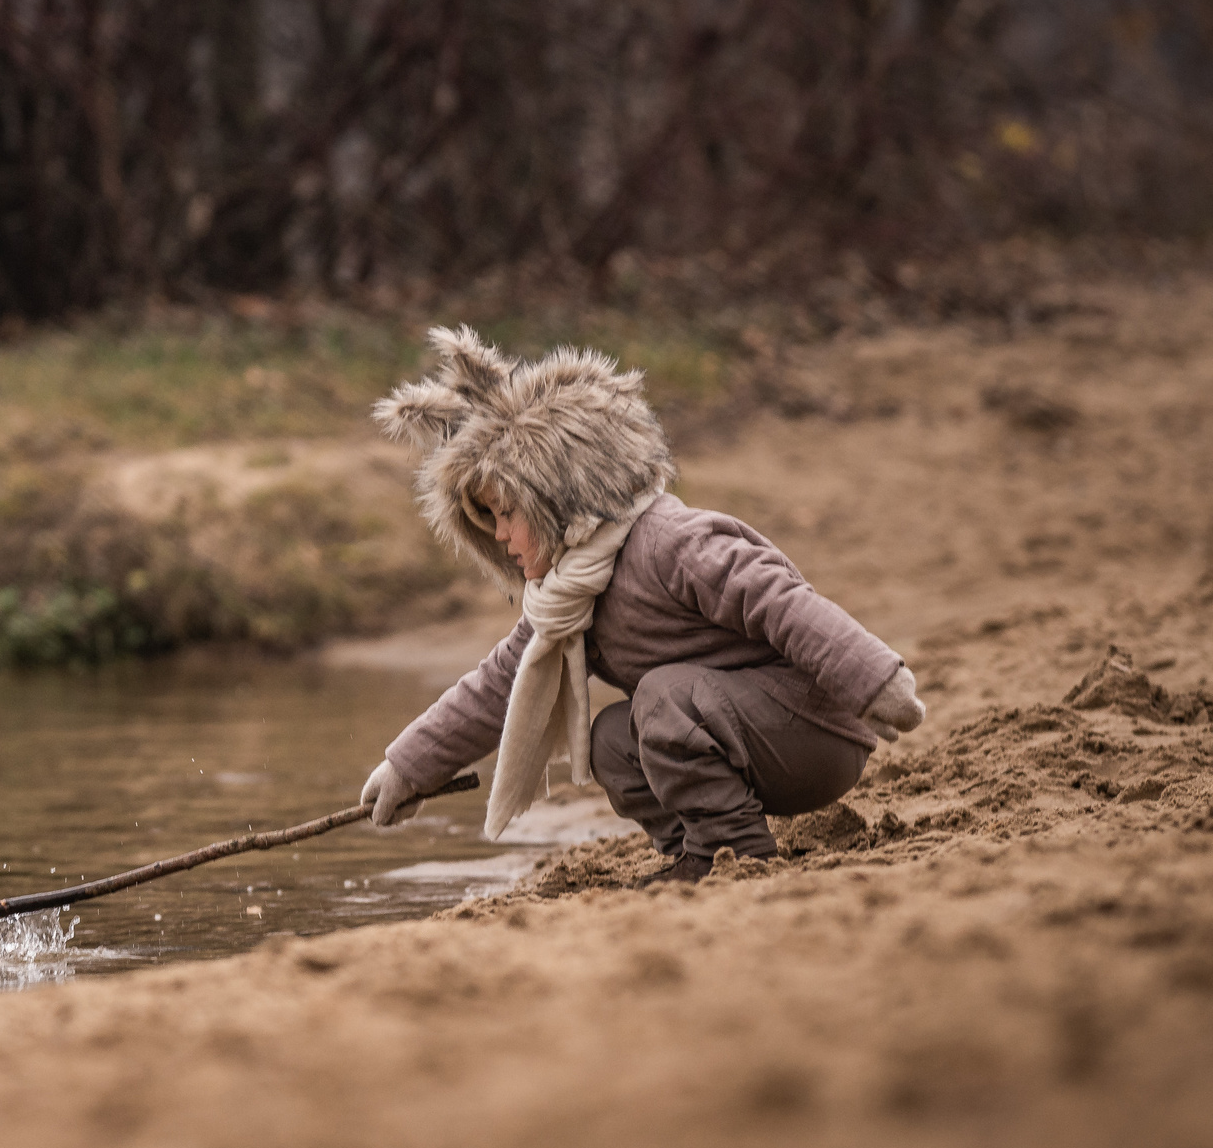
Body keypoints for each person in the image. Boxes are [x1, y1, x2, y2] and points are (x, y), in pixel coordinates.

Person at [355, 327, 925, 884]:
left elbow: (782, 603)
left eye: (508, 513)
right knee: (611, 740)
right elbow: (494, 687)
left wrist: (874, 681)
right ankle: (693, 852)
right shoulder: (565, 596)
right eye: (488, 521)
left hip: (813, 735)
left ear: (556, 494)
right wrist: (408, 767)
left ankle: (735, 852)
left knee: (661, 698)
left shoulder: (672, 542)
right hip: (741, 740)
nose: (500, 535)